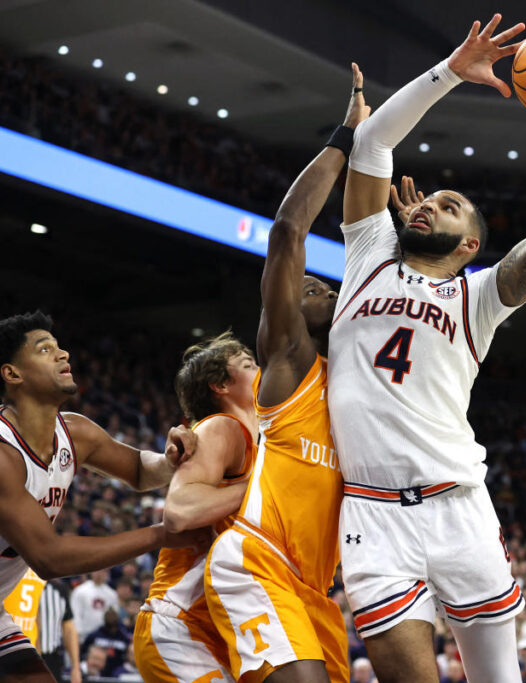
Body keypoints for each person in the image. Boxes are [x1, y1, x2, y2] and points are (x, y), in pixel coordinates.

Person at [332, 13, 526, 681]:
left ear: (469, 247)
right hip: (372, 511)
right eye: (428, 198)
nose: (428, 202)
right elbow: (371, 142)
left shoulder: (478, 298)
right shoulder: (367, 251)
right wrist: (450, 73)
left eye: (450, 206)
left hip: (459, 504)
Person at [203, 64, 370, 683]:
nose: (320, 285)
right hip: (261, 558)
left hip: (318, 586)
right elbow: (288, 231)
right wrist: (347, 138)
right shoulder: (289, 358)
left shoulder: (350, 372)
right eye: (307, 285)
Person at [0, 311, 204, 682]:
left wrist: (168, 459)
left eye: (59, 346)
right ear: (12, 374)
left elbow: (138, 470)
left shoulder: (76, 432)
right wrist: (159, 534)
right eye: (44, 349)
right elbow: (49, 558)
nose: (63, 354)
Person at [133, 332, 258, 682]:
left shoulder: (258, 445)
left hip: (214, 631)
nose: (261, 369)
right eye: (249, 364)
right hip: (179, 625)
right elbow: (180, 511)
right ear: (220, 384)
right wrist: (264, 487)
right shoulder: (224, 427)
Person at [37, 578, 81, 683]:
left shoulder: (59, 589)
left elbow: (69, 629)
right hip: (22, 658)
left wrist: (75, 667)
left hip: (51, 659)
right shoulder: (17, 585)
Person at [70, 570, 118, 641]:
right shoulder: (80, 591)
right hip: (84, 634)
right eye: (97, 571)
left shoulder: (112, 594)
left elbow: (113, 616)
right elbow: (75, 614)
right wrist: (77, 633)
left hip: (103, 636)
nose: (99, 574)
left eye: (103, 571)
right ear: (92, 572)